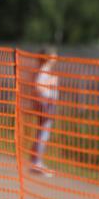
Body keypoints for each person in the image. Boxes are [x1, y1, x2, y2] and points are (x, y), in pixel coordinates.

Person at [29, 47, 59, 177]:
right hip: (45, 103)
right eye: (54, 55)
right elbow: (38, 86)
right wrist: (51, 81)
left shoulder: (44, 70)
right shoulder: (44, 70)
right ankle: (37, 162)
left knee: (42, 132)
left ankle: (36, 160)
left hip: (47, 103)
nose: (56, 57)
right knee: (43, 133)